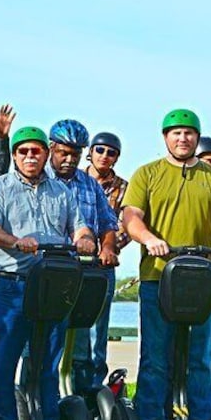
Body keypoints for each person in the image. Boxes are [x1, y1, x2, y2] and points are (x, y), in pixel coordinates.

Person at [122, 109, 211, 420]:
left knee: (201, 358)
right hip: (157, 276)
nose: (183, 139)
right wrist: (147, 239)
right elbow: (131, 216)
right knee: (155, 357)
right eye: (175, 133)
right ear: (165, 137)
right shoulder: (147, 173)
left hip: (201, 279)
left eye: (189, 133)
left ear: (196, 137)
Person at [0, 126, 95, 420]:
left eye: (36, 151)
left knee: (48, 360)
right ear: (15, 155)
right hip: (11, 285)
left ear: (46, 154)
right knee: (4, 359)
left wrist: (85, 239)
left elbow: (79, 226)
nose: (30, 157)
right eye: (23, 152)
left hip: (52, 287)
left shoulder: (62, 191)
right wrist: (16, 242)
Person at [46, 120, 118, 391]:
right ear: (52, 148)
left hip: (85, 271)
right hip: (50, 272)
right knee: (44, 344)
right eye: (64, 153)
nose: (69, 159)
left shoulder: (90, 184)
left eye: (75, 154)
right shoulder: (40, 179)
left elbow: (108, 222)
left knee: (83, 344)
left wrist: (108, 247)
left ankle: (83, 399)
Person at [73, 131, 128, 389]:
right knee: (71, 331)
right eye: (100, 150)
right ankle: (69, 381)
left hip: (102, 264)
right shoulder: (74, 179)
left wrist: (109, 247)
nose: (105, 156)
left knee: (97, 330)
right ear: (90, 152)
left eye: (111, 152)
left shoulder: (124, 188)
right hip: (71, 262)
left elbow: (125, 225)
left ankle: (94, 385)